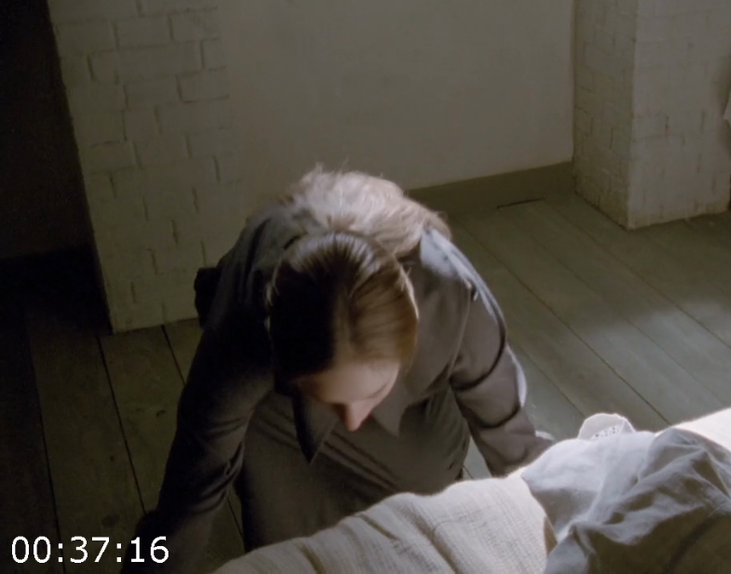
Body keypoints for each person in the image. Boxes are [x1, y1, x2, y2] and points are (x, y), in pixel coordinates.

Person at [122, 167, 554, 573]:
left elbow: (514, 446)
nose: (352, 420)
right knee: (284, 542)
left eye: (371, 392)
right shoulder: (246, 329)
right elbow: (189, 498)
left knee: (419, 529)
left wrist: (569, 533)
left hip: (414, 412)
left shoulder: (452, 297)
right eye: (330, 398)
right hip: (281, 420)